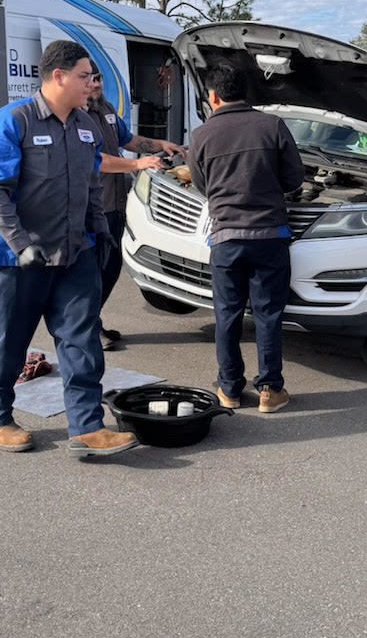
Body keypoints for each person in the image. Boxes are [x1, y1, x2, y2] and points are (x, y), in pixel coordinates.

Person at [0, 39, 138, 457]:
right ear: (58, 76)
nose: (92, 84)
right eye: (85, 76)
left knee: (81, 338)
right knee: (12, 339)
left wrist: (100, 233)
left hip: (75, 253)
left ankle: (86, 426)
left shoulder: (86, 124)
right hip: (21, 260)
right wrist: (20, 244)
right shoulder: (14, 121)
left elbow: (89, 183)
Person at [187, 63, 304, 414]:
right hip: (270, 236)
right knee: (268, 314)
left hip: (225, 238)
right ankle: (270, 391)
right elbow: (295, 178)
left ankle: (229, 390)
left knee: (227, 314)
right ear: (245, 92)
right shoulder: (273, 126)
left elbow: (200, 183)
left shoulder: (201, 135)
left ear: (213, 96)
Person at [86, 66, 186, 348]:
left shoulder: (105, 108)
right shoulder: (76, 116)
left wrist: (160, 145)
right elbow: (96, 159)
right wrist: (137, 163)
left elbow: (128, 140)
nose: (94, 83)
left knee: (111, 266)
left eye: (98, 78)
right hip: (92, 208)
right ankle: (85, 330)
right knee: (91, 273)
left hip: (115, 204)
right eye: (88, 78)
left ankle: (92, 321)